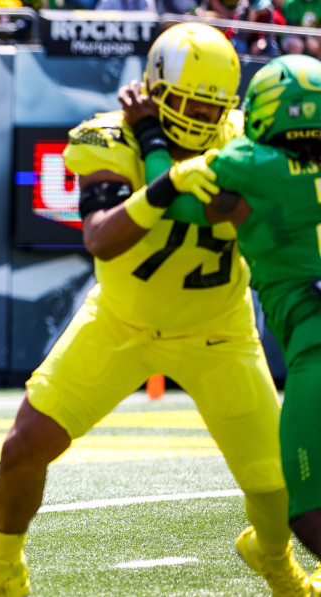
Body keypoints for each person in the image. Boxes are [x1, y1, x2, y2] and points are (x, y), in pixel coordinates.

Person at [0, 23, 311, 597]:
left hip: (219, 331)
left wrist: (164, 161)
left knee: (274, 482)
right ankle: (2, 572)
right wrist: (165, 181)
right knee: (24, 447)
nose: (199, 114)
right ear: (155, 88)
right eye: (188, 100)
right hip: (121, 322)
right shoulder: (106, 137)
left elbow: (224, 207)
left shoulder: (243, 140)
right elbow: (101, 237)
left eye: (212, 105)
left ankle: (273, 559)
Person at [160, 54, 321, 582]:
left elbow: (175, 202)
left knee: (306, 508)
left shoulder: (253, 163)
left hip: (313, 338)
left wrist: (146, 138)